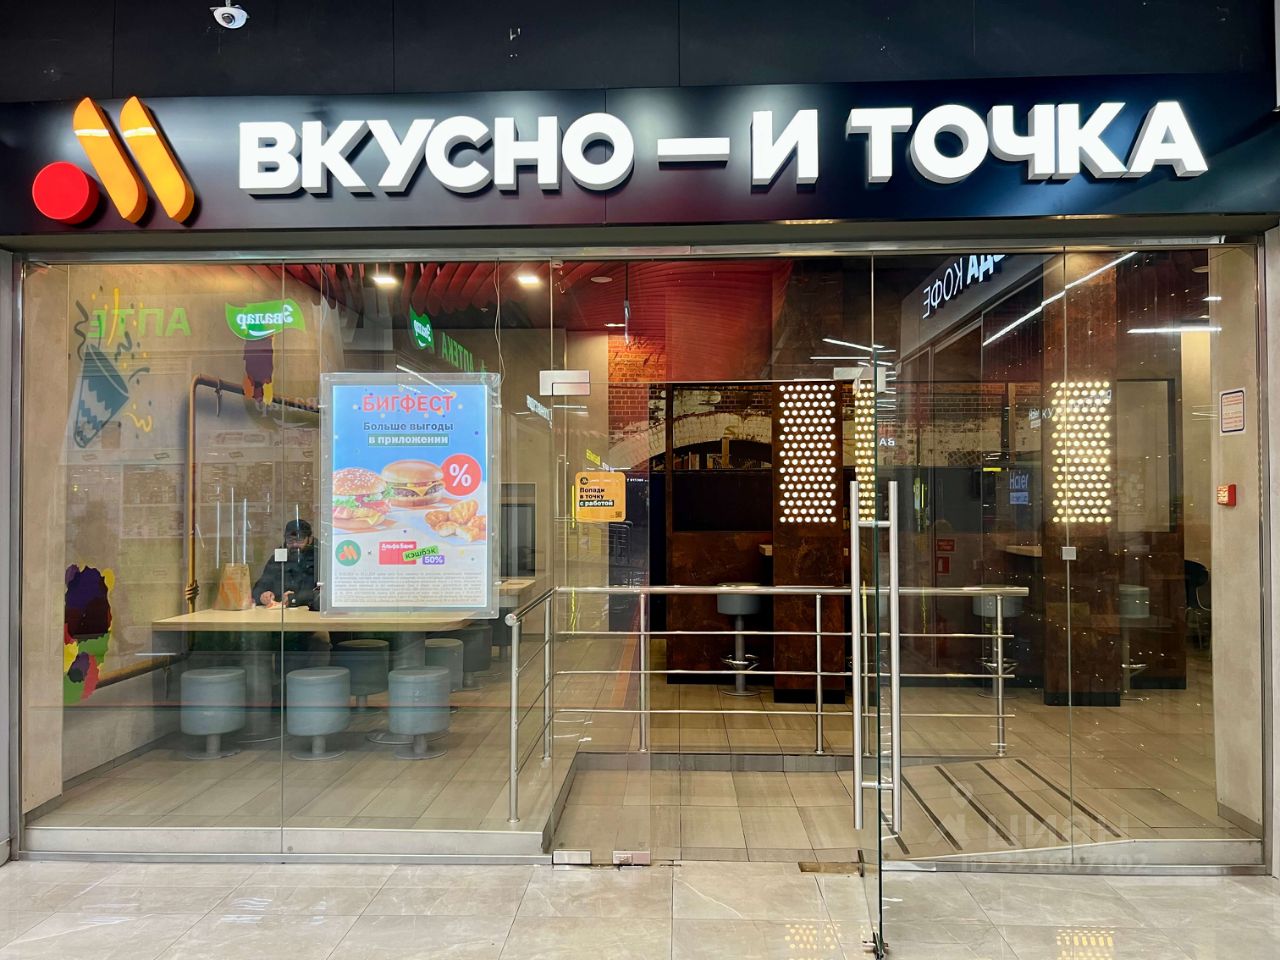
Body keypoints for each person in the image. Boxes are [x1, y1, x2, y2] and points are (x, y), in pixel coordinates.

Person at [253, 519, 318, 610]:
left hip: (309, 612)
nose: (294, 544)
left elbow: (325, 593)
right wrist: (263, 595)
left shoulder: (320, 556)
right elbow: (261, 585)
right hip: (280, 612)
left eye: (299, 540)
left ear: (310, 539)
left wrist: (294, 598)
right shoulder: (280, 555)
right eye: (290, 540)